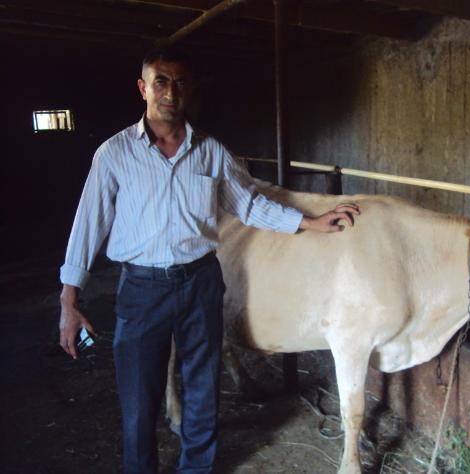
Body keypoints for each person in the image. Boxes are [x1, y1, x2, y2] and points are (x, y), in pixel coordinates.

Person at [58, 47, 360, 474]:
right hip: (142, 288)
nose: (171, 92)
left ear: (190, 90)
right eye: (161, 82)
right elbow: (88, 225)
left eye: (180, 82)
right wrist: (69, 300)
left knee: (202, 387)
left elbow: (249, 205)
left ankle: (197, 468)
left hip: (200, 280)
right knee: (139, 396)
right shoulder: (115, 154)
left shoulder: (211, 151)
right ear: (143, 88)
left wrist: (311, 222)